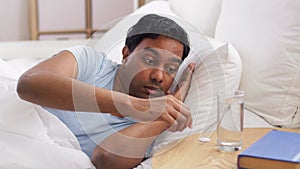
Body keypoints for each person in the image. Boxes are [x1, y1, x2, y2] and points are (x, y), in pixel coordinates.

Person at [17, 14, 195, 169]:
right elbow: (28, 83)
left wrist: (170, 110)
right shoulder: (92, 63)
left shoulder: (152, 123)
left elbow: (105, 160)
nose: (159, 76)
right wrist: (132, 105)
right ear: (125, 54)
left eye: (171, 68)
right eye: (149, 60)